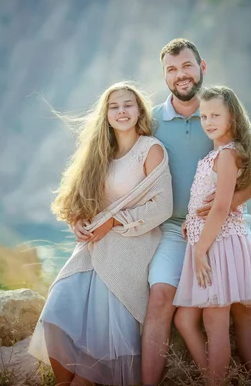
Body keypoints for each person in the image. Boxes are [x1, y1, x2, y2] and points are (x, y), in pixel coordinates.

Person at [72, 39, 251, 385]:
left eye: (187, 66)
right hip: (170, 229)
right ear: (164, 75)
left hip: (222, 224)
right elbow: (116, 163)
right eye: (172, 69)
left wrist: (224, 206)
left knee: (242, 304)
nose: (181, 75)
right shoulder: (154, 121)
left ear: (202, 67)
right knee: (161, 297)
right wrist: (83, 210)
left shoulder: (222, 114)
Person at [28, 82, 173, 386]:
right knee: (56, 310)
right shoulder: (100, 153)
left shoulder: (151, 150)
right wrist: (78, 222)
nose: (122, 111)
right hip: (95, 244)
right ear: (106, 114)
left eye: (128, 105)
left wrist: (115, 221)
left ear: (139, 110)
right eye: (114, 106)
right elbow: (78, 201)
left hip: (133, 244)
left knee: (99, 337)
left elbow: (162, 206)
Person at [173, 85, 251, 385]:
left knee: (216, 322)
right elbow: (209, 202)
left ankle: (240, 379)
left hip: (217, 245)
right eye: (204, 116)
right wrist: (191, 221)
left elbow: (220, 208)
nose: (208, 122)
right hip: (211, 240)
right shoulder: (218, 153)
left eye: (216, 115)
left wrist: (201, 251)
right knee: (186, 318)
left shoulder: (228, 155)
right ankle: (230, 376)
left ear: (234, 117)